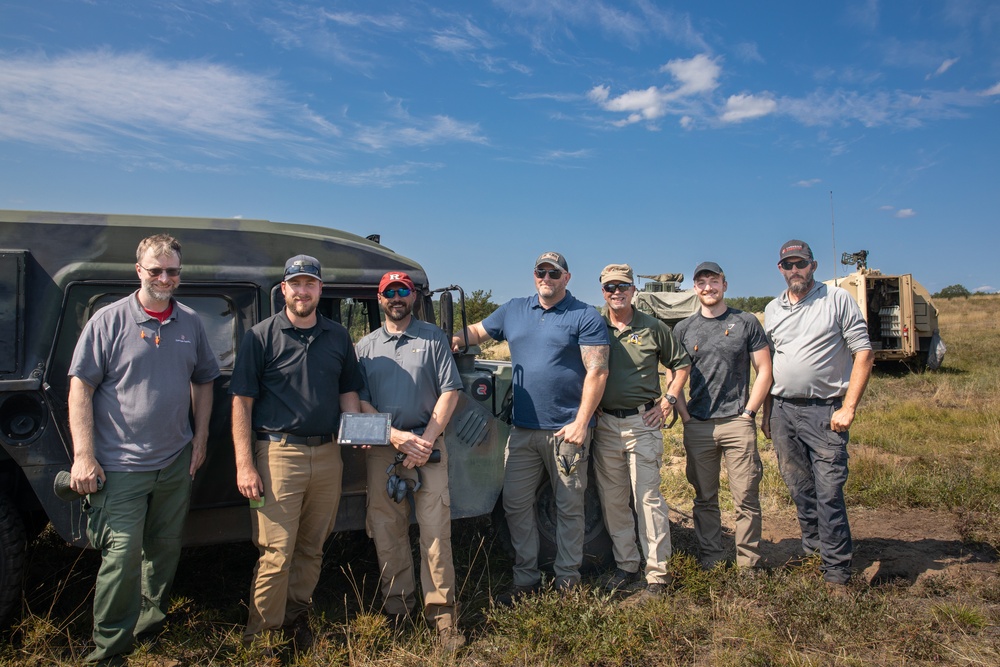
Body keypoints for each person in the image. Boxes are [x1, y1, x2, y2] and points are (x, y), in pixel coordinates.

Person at [68, 234, 220, 664]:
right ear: (139, 271)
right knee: (121, 559)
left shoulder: (190, 322)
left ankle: (148, 627)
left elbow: (205, 379)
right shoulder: (108, 321)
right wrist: (84, 454)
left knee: (164, 549)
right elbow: (80, 388)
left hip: (175, 461)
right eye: (157, 270)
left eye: (173, 271)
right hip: (120, 466)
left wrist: (201, 437)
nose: (165, 278)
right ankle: (110, 650)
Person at [451, 252, 609, 599]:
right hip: (522, 430)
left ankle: (568, 581)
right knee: (515, 504)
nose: (547, 277)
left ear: (566, 278)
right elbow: (478, 331)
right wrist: (453, 339)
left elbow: (597, 370)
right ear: (534, 275)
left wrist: (582, 423)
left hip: (566, 431)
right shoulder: (513, 310)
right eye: (542, 271)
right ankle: (526, 579)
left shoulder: (584, 315)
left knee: (568, 505)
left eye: (554, 272)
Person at [231, 254, 363, 649]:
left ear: (320, 289)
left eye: (310, 284)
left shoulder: (338, 336)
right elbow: (241, 402)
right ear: (283, 289)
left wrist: (354, 425)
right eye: (296, 283)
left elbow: (348, 390)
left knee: (311, 547)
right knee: (275, 552)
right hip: (276, 455)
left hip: (326, 455)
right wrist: (244, 464)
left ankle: (294, 618)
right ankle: (262, 639)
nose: (303, 291)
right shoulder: (260, 336)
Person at [355, 271, 466, 650]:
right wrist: (396, 438)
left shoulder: (433, 338)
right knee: (387, 530)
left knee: (436, 532)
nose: (397, 297)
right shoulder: (364, 347)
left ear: (414, 297)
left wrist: (425, 441)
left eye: (404, 290)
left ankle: (443, 616)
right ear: (379, 297)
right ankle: (397, 609)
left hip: (428, 445)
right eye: (390, 292)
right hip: (386, 448)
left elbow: (450, 392)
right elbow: (362, 403)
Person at [762, 240, 873, 590]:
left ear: (814, 265)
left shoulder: (837, 299)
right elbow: (768, 365)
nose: (794, 270)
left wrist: (849, 407)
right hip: (783, 411)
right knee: (800, 489)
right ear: (780, 269)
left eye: (801, 264)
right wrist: (767, 414)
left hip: (825, 412)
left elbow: (864, 353)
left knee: (828, 492)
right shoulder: (773, 309)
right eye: (788, 265)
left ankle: (838, 573)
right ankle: (814, 552)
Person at [591, 263, 690, 598]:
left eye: (622, 287)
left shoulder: (653, 327)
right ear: (602, 292)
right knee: (613, 500)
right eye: (609, 287)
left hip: (642, 423)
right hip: (605, 424)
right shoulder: (593, 325)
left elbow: (680, 363)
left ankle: (658, 574)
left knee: (647, 499)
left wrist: (669, 400)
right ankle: (626, 565)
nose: (616, 293)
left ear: (634, 290)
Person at [674, 261, 772, 570]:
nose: (707, 287)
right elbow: (673, 376)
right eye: (701, 282)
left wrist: (748, 414)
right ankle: (712, 558)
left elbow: (765, 371)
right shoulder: (684, 329)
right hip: (698, 425)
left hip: (736, 423)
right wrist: (686, 418)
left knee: (745, 499)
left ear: (724, 285)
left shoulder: (746, 322)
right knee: (704, 498)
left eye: (713, 281)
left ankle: (749, 565)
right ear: (695, 288)